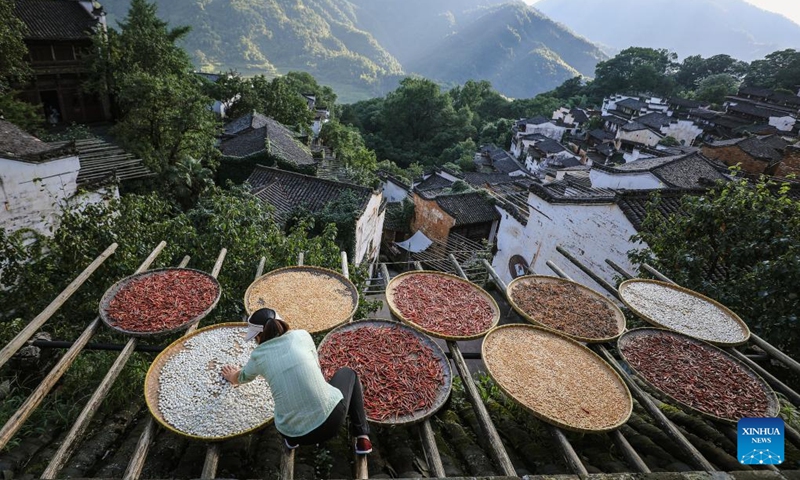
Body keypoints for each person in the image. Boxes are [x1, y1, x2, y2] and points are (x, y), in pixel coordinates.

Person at [221, 308, 372, 454]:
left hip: (293, 434)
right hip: (333, 421)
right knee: (348, 373)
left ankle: (292, 442)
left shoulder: (258, 356)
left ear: (258, 337)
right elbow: (316, 365)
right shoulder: (302, 335)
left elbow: (241, 378)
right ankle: (362, 437)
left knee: (285, 407)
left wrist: (232, 376)